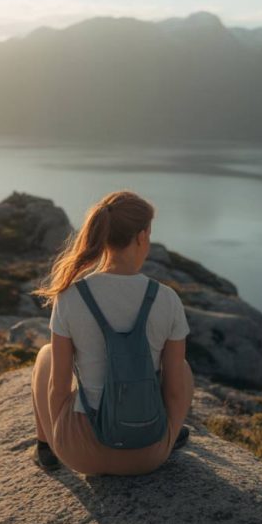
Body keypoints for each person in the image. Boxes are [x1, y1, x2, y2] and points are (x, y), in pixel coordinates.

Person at [30, 190, 194, 476]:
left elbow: (58, 387)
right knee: (182, 368)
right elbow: (175, 392)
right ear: (142, 236)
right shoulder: (167, 299)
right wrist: (166, 433)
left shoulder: (70, 297)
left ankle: (45, 448)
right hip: (148, 455)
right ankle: (169, 434)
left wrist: (62, 438)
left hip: (81, 456)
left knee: (45, 356)